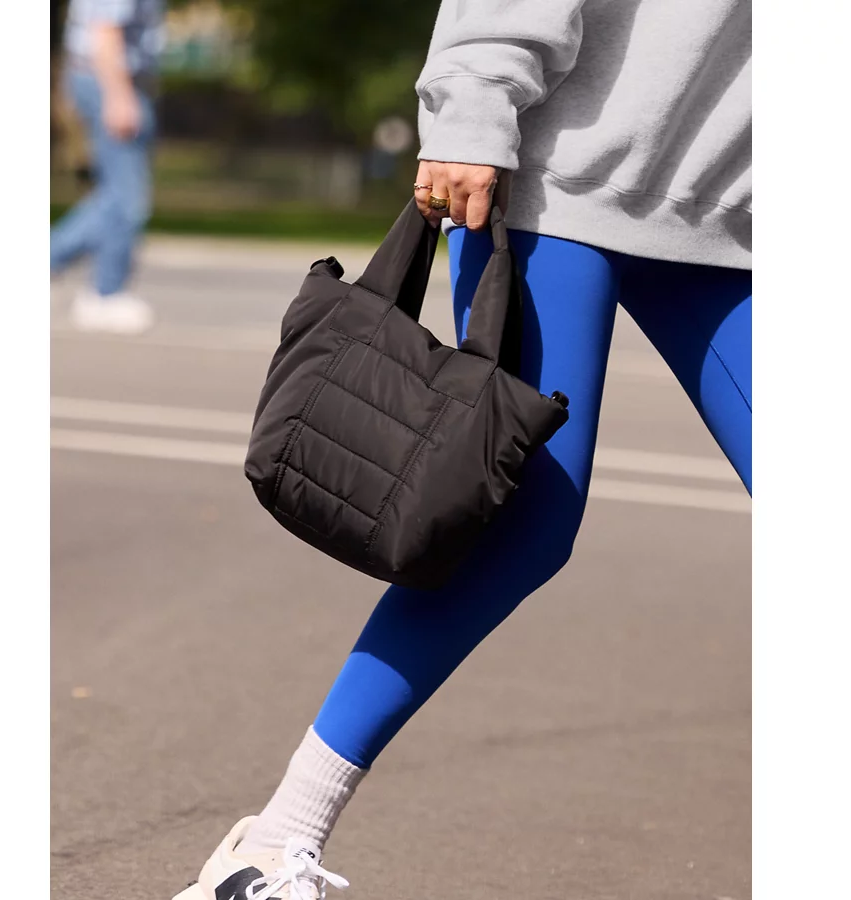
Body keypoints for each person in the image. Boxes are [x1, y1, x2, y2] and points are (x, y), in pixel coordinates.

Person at [174, 1, 751, 897]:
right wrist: (473, 101)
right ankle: (274, 842)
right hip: (558, 180)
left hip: (735, 210)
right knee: (520, 521)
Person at [50, 0, 164, 335]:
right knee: (127, 198)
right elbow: (104, 30)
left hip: (109, 78)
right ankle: (105, 293)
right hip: (110, 79)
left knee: (116, 197)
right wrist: (119, 95)